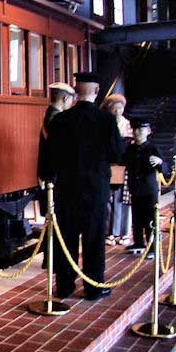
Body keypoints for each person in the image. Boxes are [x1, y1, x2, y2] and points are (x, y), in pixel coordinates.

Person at [46, 72, 125, 301]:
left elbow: (51, 156)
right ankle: (93, 287)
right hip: (96, 188)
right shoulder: (107, 120)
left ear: (75, 90)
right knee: (94, 239)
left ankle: (64, 286)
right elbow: (117, 154)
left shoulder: (61, 120)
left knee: (66, 238)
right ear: (97, 90)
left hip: (66, 189)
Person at [37, 82, 75, 269]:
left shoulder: (49, 117)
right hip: (57, 177)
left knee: (52, 219)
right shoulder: (58, 120)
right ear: (65, 98)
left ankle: (50, 258)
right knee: (57, 220)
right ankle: (52, 258)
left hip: (49, 175)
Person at [123, 120, 165, 257]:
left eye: (141, 130)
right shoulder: (130, 148)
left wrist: (160, 162)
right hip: (135, 188)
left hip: (149, 189)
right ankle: (138, 242)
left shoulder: (153, 148)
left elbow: (164, 168)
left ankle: (152, 246)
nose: (137, 133)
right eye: (135, 130)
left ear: (148, 131)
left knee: (150, 219)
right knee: (136, 218)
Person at [101, 94, 132, 247]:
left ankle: (125, 233)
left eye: (120, 107)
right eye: (114, 108)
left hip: (123, 166)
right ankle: (110, 232)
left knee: (123, 200)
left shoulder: (128, 125)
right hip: (107, 166)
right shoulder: (105, 124)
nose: (117, 111)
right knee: (108, 201)